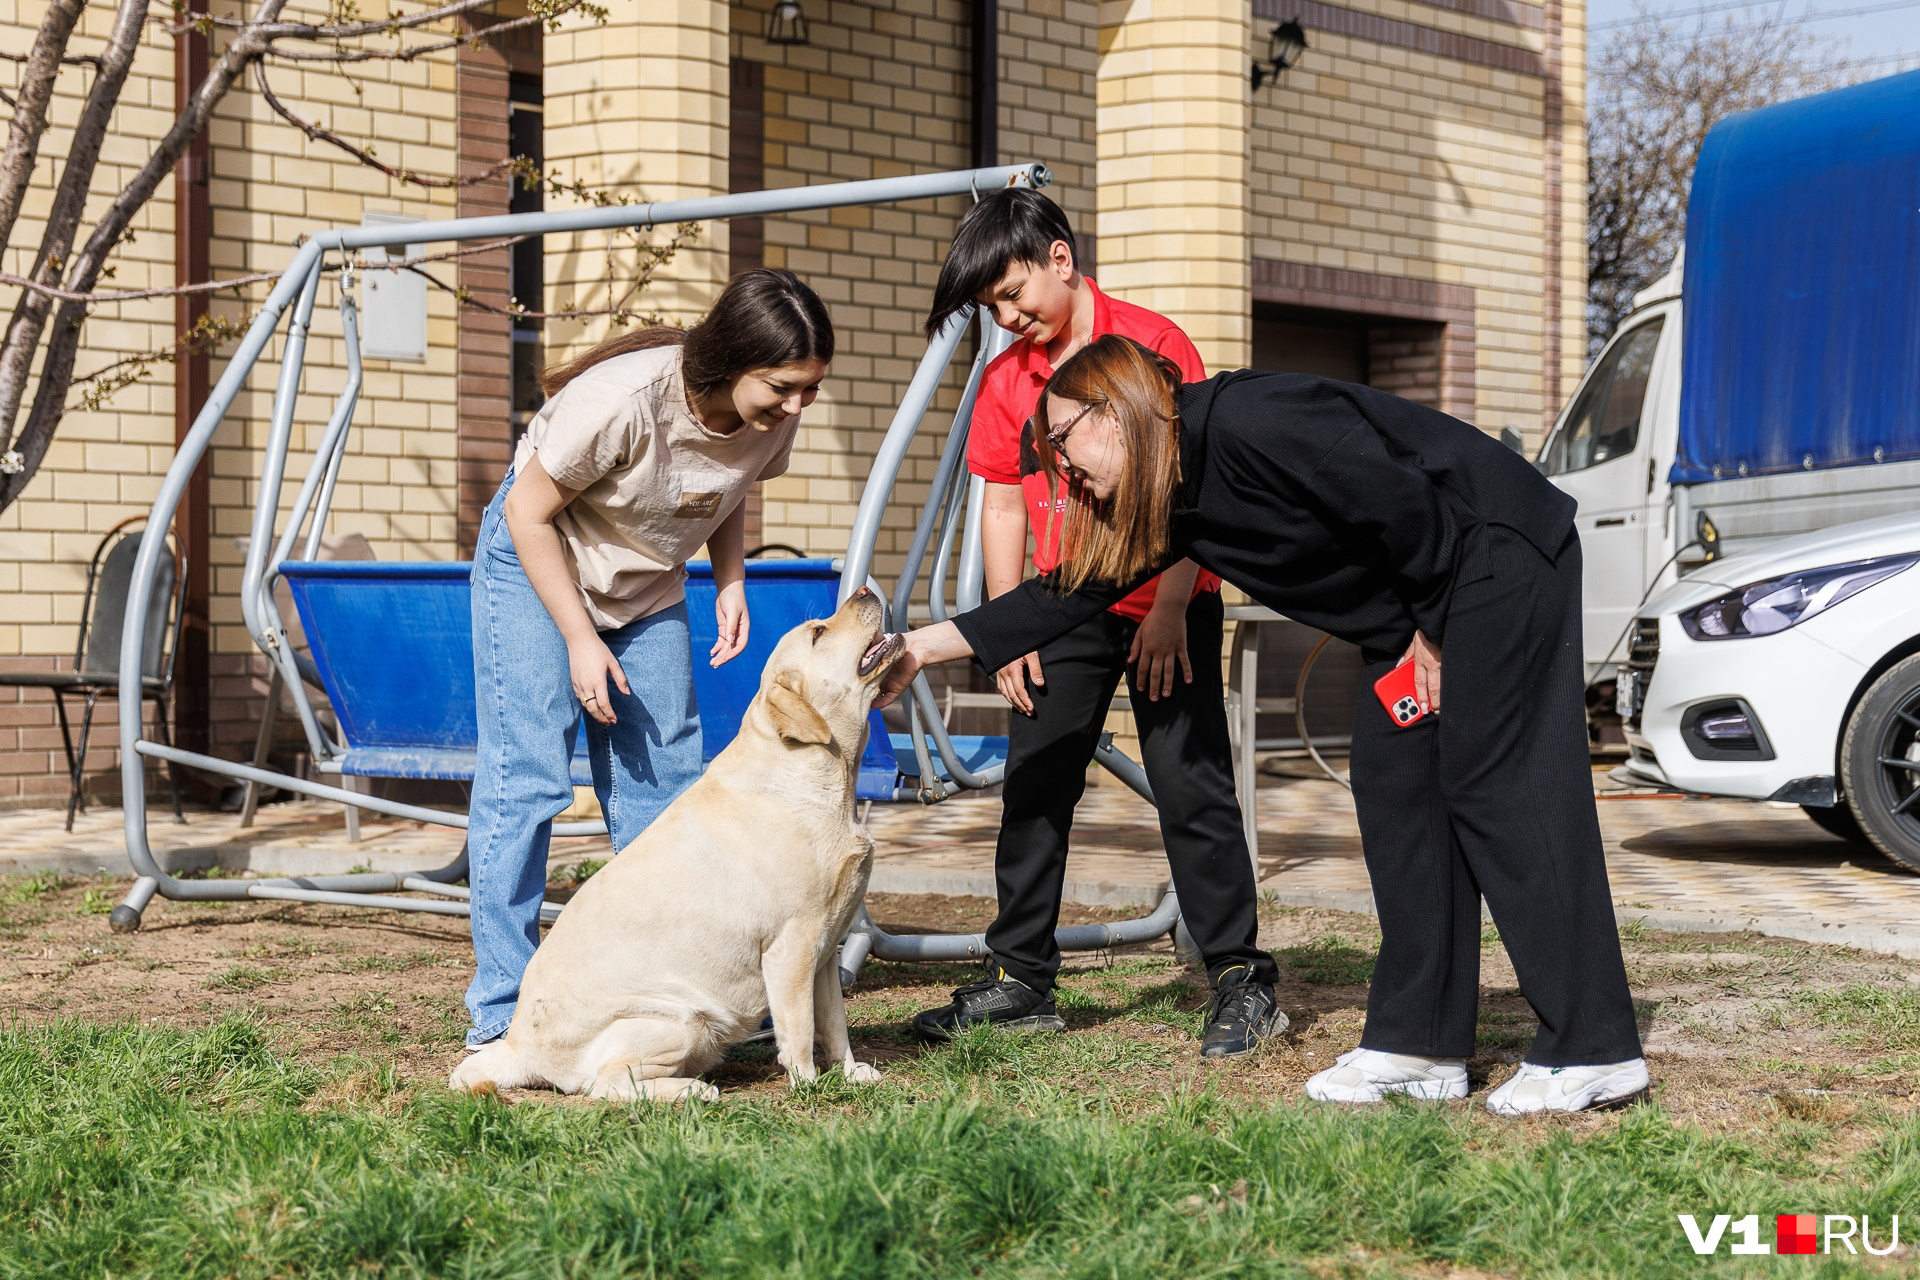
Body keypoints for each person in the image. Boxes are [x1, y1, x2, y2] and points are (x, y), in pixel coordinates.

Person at [878, 334, 1650, 1116]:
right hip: (1424, 605)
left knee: (1497, 785)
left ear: (1112, 411)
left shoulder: (1254, 419)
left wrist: (1436, 635)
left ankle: (1594, 1047)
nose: (1060, 470)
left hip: (1491, 560)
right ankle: (1419, 1044)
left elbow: (1406, 502)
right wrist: (918, 648)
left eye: (1064, 444)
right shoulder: (1168, 500)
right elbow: (1063, 595)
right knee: (1397, 785)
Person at [909, 189, 1284, 1059]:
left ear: (1061, 261)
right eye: (989, 310)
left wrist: (1167, 606)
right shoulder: (1007, 381)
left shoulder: (1157, 347)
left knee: (1192, 787)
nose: (1006, 319)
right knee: (1035, 785)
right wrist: (1010, 633)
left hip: (1167, 600)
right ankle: (1021, 982)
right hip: (1059, 606)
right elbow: (1001, 506)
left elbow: (1199, 492)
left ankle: (1240, 976)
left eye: (1012, 296)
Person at [462, 268, 834, 1050]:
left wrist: (730, 581)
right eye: (782, 388)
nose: (796, 407)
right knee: (526, 782)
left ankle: (684, 991)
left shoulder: (774, 411)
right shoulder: (623, 401)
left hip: (644, 581)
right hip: (538, 566)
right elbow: (529, 515)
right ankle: (503, 1009)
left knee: (665, 791)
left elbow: (729, 486)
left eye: (809, 389)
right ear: (732, 361)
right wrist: (578, 639)